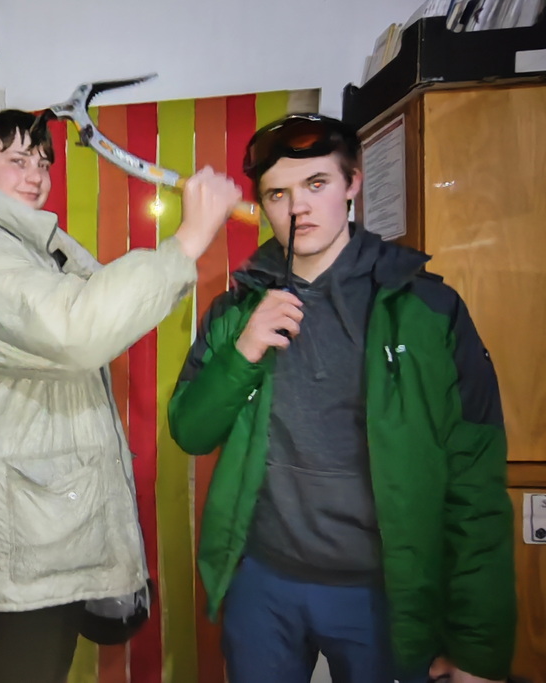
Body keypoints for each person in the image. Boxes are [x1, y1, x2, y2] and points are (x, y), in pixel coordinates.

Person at [167, 113, 515, 683]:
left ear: (352, 183)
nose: (297, 208)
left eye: (316, 184)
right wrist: (245, 350)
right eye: (277, 194)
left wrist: (480, 647)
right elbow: (190, 430)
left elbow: (475, 482)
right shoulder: (235, 310)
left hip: (385, 592)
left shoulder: (428, 311)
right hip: (264, 584)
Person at [0, 109, 242, 683]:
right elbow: (79, 330)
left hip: (48, 529)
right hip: (26, 540)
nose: (35, 175)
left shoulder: (29, 246)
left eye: (43, 162)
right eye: (17, 160)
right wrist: (187, 241)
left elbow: (105, 302)